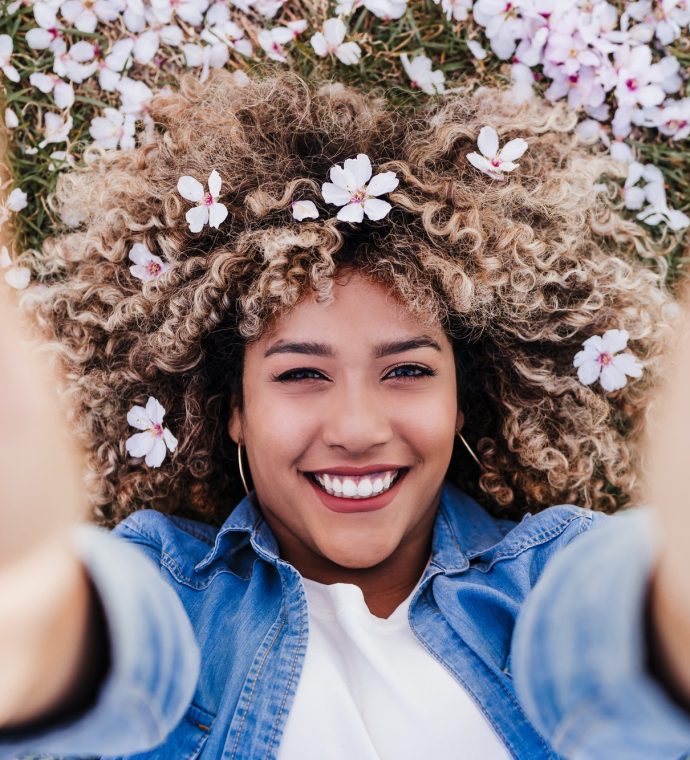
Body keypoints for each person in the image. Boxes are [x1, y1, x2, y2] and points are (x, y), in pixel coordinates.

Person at [0, 71, 689, 759]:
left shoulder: (559, 578)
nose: (357, 430)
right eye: (301, 374)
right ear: (233, 408)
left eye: (409, 371)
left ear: (462, 399)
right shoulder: (160, 595)